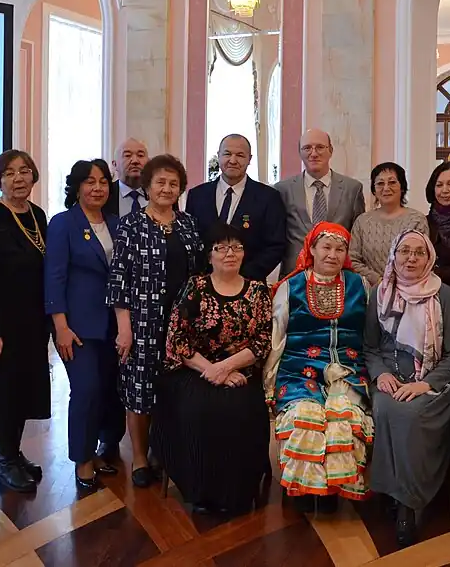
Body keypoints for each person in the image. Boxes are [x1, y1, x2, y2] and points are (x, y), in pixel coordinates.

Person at [155, 223, 273, 515]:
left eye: (236, 247)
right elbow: (177, 339)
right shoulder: (195, 287)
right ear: (209, 255)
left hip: (241, 370)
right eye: (221, 248)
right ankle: (200, 491)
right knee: (198, 410)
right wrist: (212, 369)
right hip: (195, 369)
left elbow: (262, 341)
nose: (230, 253)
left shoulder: (258, 291)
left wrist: (226, 367)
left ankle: (238, 494)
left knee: (240, 410)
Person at [108, 154, 203, 488]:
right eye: (160, 182)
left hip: (182, 324)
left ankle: (164, 451)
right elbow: (118, 279)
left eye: (173, 183)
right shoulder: (130, 225)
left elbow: (200, 274)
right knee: (140, 389)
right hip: (143, 322)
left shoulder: (189, 224)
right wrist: (124, 328)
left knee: (174, 389)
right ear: (147, 186)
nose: (167, 188)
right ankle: (139, 456)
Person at [364, 229, 450, 547]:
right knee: (385, 408)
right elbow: (370, 347)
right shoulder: (380, 292)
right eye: (404, 251)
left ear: (429, 258)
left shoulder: (444, 294)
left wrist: (424, 384)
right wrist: (380, 374)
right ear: (393, 255)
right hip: (390, 377)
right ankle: (392, 492)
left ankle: (407, 502)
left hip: (433, 379)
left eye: (419, 252)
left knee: (410, 415)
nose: (411, 258)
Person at [264, 222, 372, 513]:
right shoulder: (291, 286)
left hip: (349, 369)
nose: (332, 255)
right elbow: (277, 337)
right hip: (298, 369)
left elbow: (372, 334)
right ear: (311, 249)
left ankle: (332, 490)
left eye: (340, 249)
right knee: (304, 415)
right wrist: (269, 381)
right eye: (326, 247)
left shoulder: (360, 285)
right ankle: (300, 486)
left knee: (343, 417)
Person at [0, 150, 51, 493]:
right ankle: (5, 461)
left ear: (34, 176)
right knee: (4, 393)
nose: (18, 178)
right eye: (10, 173)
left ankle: (15, 455)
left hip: (32, 323)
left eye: (25, 171)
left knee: (23, 391)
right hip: (1, 325)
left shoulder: (38, 215)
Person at [44, 158, 125, 491]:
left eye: (103, 181)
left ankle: (103, 446)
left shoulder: (117, 224)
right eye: (90, 181)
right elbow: (54, 276)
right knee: (86, 389)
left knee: (108, 389)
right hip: (77, 326)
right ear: (77, 187)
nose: (97, 188)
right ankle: (82, 458)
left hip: (113, 324)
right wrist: (60, 326)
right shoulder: (64, 223)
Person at [184, 134, 286, 281]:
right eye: (227, 154)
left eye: (240, 155)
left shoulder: (268, 197)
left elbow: (275, 245)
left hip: (249, 283)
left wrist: (242, 278)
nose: (233, 160)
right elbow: (191, 240)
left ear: (249, 159)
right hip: (204, 283)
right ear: (218, 156)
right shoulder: (197, 195)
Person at [274, 129, 366, 277]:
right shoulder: (282, 189)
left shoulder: (352, 189)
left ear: (331, 150)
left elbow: (357, 238)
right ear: (299, 152)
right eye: (307, 148)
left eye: (320, 147)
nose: (314, 153)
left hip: (339, 275)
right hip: (295, 276)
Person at [349, 162, 428, 285]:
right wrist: (379, 281)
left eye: (392, 182)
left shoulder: (416, 220)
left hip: (409, 288)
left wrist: (397, 283)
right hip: (371, 289)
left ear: (402, 187)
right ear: (374, 190)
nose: (386, 188)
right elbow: (353, 260)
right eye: (380, 183)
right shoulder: (362, 221)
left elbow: (422, 258)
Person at [104, 138, 149, 218]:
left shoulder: (159, 194)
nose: (135, 161)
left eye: (140, 155)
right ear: (115, 164)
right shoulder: (105, 194)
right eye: (127, 155)